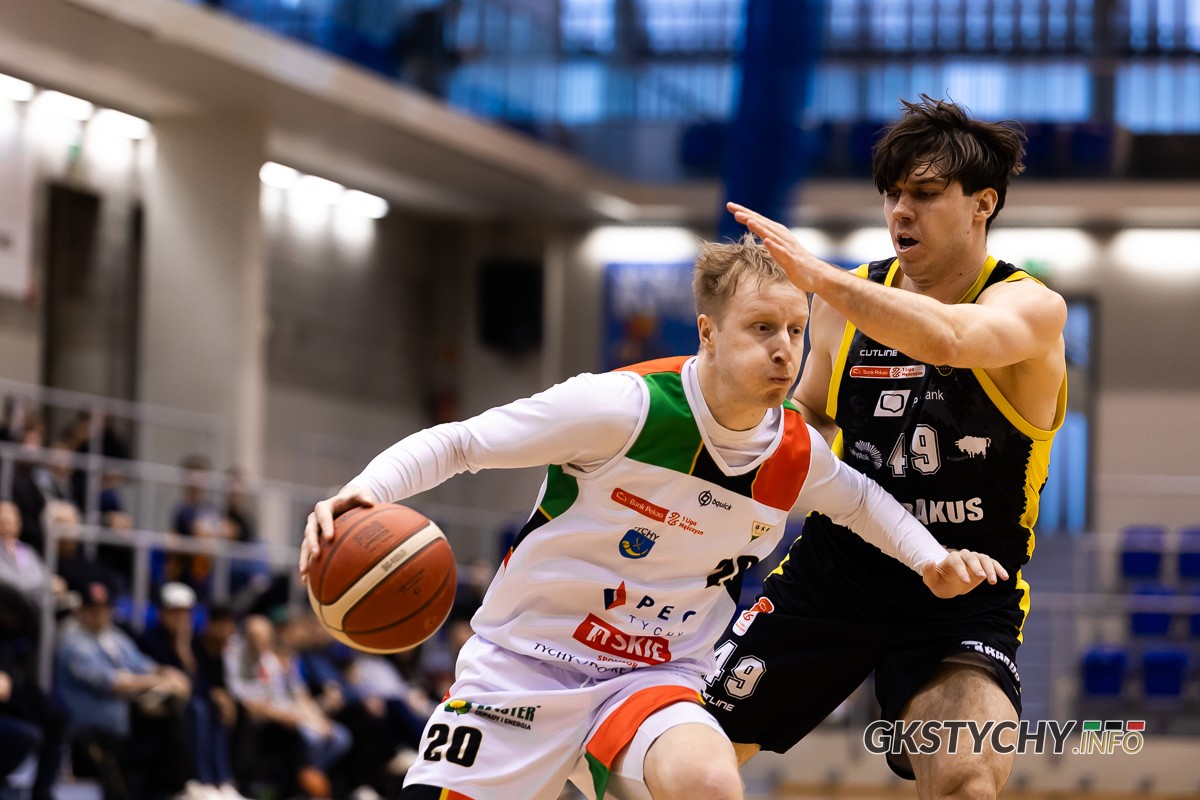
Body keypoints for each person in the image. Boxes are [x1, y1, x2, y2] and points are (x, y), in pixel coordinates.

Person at [299, 235, 1009, 800]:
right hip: (524, 665)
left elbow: (862, 500)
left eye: (796, 330)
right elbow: (461, 443)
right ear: (708, 332)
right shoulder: (621, 408)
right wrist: (364, 493)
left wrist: (931, 559)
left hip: (653, 676)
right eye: (762, 327)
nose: (784, 350)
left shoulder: (794, 453)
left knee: (708, 781)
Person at [707, 95, 1068, 800]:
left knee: (966, 781)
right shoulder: (847, 301)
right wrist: (754, 456)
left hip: (964, 593)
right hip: (836, 573)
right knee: (681, 762)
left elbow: (952, 339)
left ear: (983, 204)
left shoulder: (1030, 307)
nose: (901, 211)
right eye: (892, 194)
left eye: (925, 194)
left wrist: (821, 278)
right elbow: (812, 413)